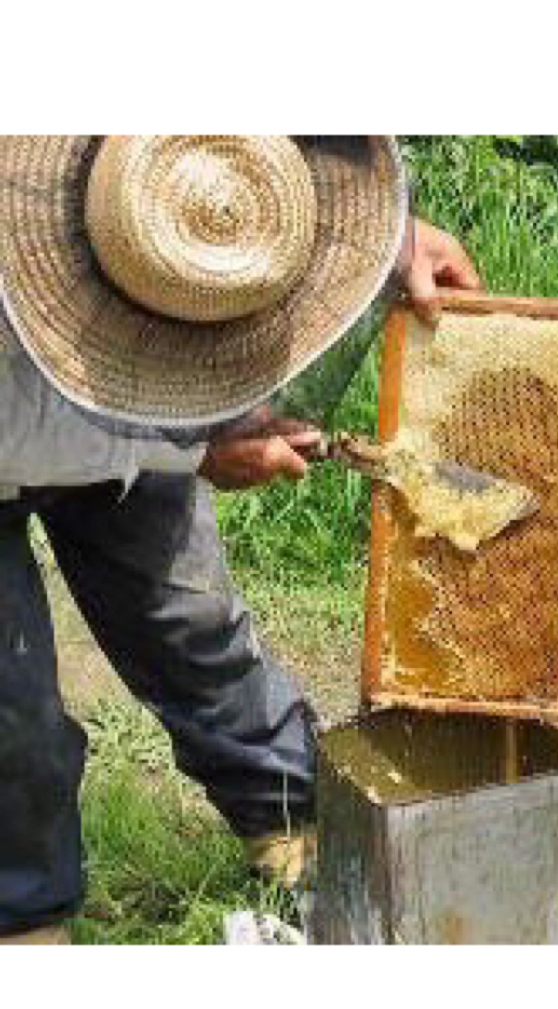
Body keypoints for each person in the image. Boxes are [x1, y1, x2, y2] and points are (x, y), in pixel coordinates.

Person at [0, 136, 480, 945]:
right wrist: (194, 451)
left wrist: (385, 238)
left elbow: (303, 150)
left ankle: (300, 831)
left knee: (194, 621)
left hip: (135, 382)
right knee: (15, 728)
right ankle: (24, 925)